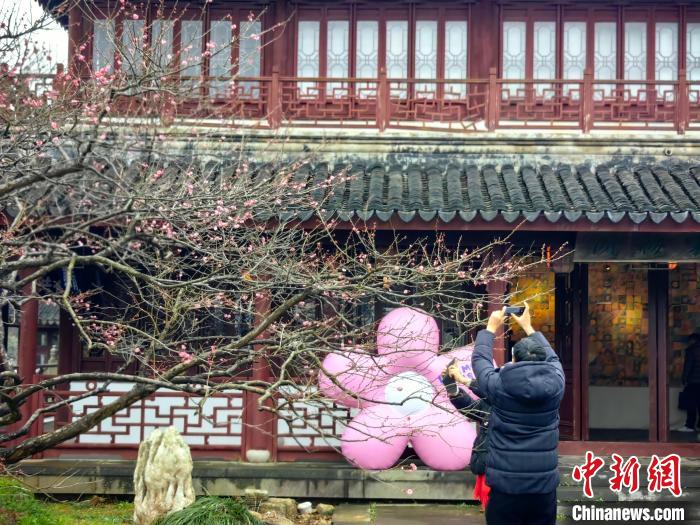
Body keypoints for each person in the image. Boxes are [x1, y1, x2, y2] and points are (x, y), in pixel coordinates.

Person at [471, 302, 565, 525]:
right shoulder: (557, 382)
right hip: (543, 486)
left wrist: (490, 328)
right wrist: (529, 327)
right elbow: (553, 359)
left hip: (506, 486)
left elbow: (480, 361)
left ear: (513, 359)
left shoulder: (498, 385)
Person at [444, 369, 491, 511]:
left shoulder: (525, 401)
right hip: (488, 459)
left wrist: (465, 380)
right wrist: (453, 390)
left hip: (512, 467)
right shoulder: (490, 401)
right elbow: (472, 409)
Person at [676, 332, 700, 432]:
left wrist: (684, 379)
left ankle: (690, 425)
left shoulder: (691, 350)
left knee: (691, 405)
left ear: (692, 340)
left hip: (693, 382)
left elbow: (688, 366)